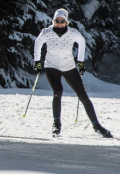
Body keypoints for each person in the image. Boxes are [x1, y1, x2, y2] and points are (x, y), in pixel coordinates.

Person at [32, 8, 112, 138]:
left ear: (66, 22)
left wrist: (80, 61)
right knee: (57, 92)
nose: (59, 23)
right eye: (57, 21)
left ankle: (97, 126)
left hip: (68, 66)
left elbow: (82, 42)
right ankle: (56, 124)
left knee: (83, 96)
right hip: (51, 66)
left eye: (62, 21)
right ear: (53, 21)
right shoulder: (46, 32)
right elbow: (38, 43)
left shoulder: (73, 33)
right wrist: (37, 61)